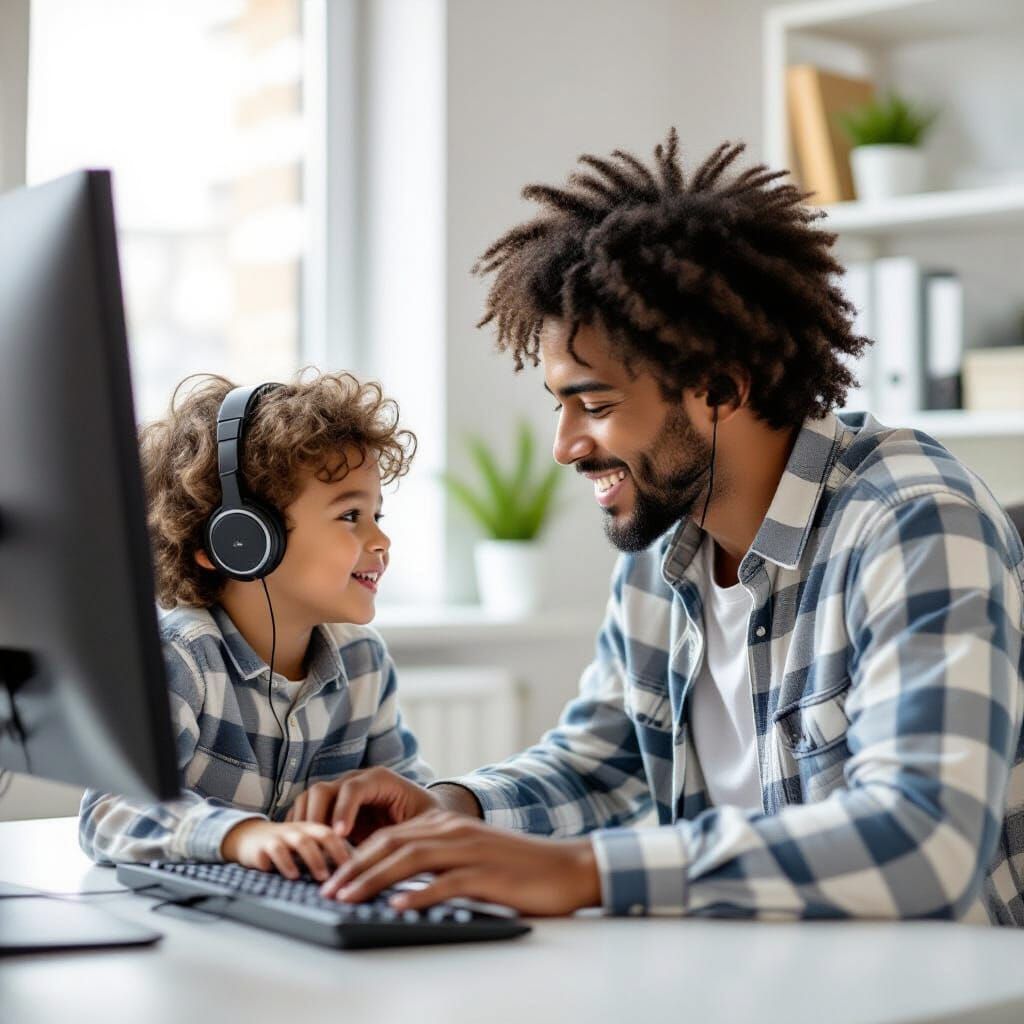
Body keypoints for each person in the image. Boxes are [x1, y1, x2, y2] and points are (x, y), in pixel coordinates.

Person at [293, 132, 1024, 924]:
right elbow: (604, 762)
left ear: (720, 388)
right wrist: (452, 808)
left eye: (597, 406)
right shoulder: (666, 541)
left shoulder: (913, 522)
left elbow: (924, 841)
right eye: (560, 404)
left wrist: (585, 873)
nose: (566, 446)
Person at [79, 372, 432, 882]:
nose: (381, 540)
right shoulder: (180, 659)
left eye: (377, 513)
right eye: (351, 515)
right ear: (239, 539)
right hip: (190, 934)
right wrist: (242, 836)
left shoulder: (363, 662)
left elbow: (405, 795)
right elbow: (110, 812)